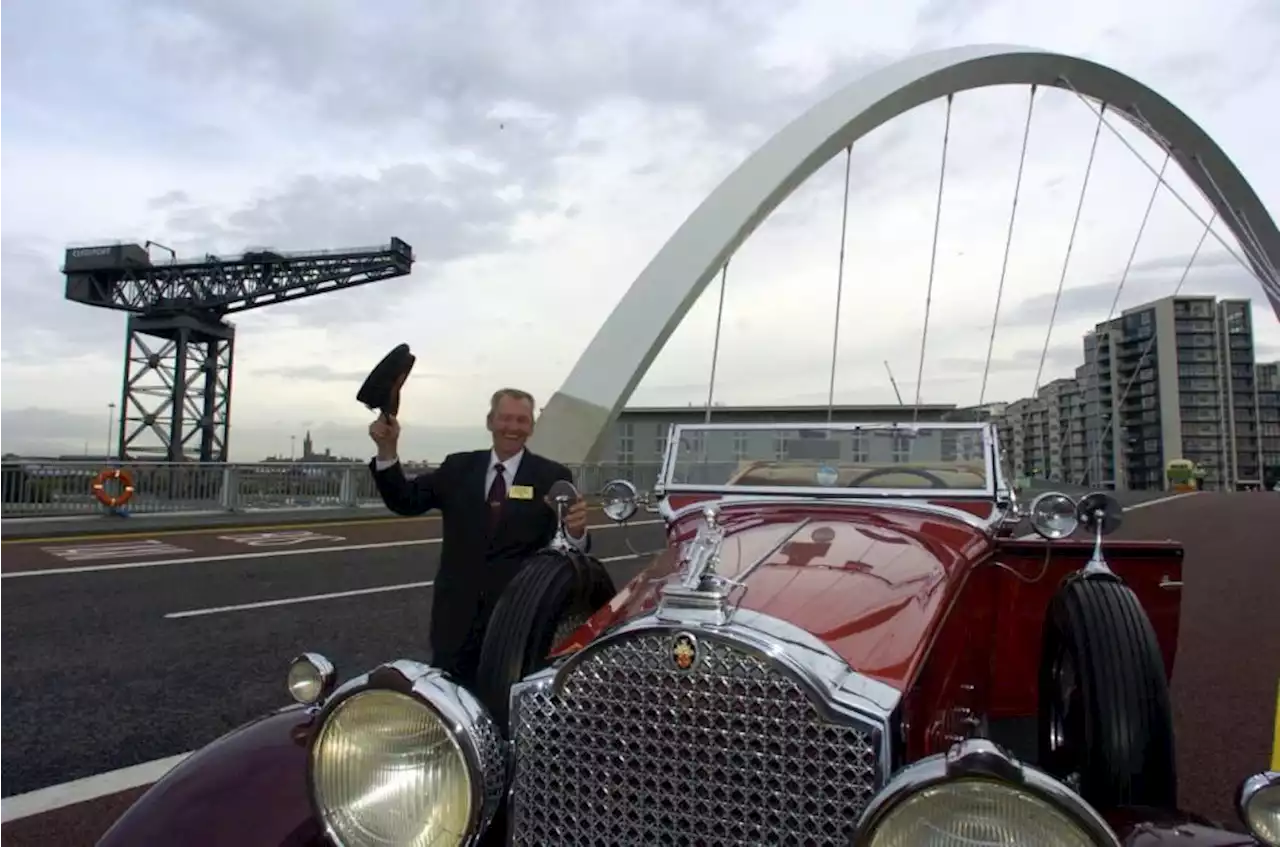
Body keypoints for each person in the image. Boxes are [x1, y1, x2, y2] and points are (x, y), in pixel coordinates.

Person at [367, 387, 590, 688]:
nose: (512, 428)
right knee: (452, 701)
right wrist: (387, 450)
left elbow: (569, 547)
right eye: (505, 418)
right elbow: (404, 500)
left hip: (520, 617)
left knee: (512, 699)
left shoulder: (552, 476)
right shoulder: (457, 468)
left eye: (521, 420)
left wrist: (576, 532)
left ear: (531, 427)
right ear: (490, 421)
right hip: (456, 618)